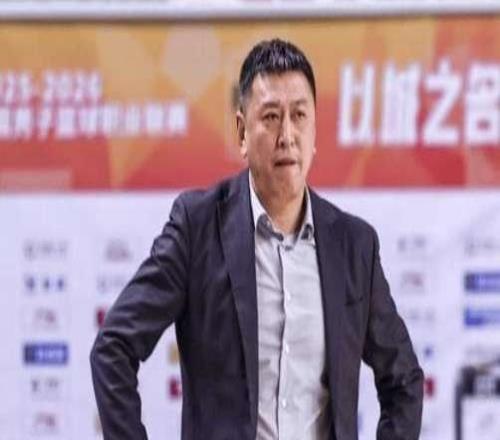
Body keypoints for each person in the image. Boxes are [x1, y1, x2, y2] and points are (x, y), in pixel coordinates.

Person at [90, 38, 424, 440]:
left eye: (299, 115)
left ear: (315, 131)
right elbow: (113, 348)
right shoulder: (197, 228)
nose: (287, 135)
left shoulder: (354, 246)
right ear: (242, 132)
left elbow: (404, 379)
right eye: (271, 117)